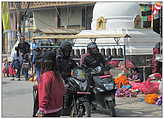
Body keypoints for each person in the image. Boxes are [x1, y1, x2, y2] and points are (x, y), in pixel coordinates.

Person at [36, 51, 65, 117]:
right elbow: (63, 90)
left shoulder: (45, 76)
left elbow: (44, 94)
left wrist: (41, 109)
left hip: (48, 110)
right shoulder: (57, 75)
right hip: (58, 109)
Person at [56, 40, 77, 115]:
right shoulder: (58, 59)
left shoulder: (71, 60)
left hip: (69, 79)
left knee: (74, 89)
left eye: (68, 50)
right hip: (58, 79)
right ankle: (64, 108)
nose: (67, 52)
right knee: (65, 91)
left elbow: (76, 69)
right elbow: (55, 70)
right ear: (62, 50)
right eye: (65, 50)